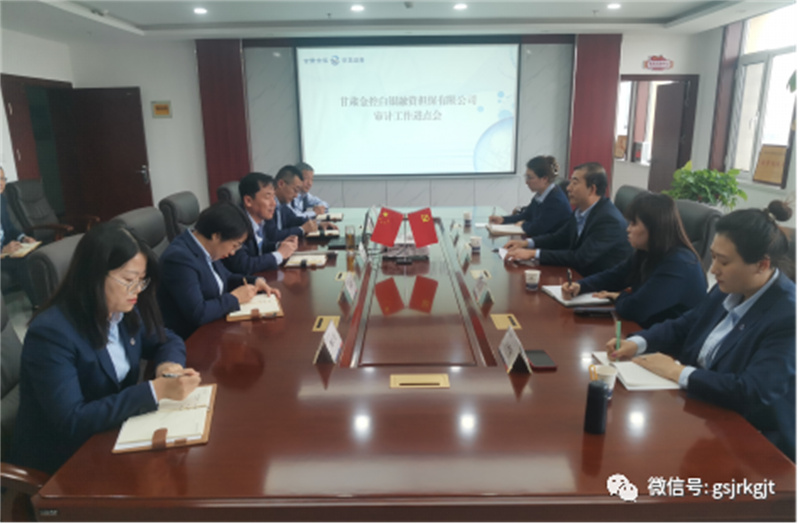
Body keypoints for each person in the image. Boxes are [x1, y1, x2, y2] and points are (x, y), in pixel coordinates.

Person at [606, 201, 795, 460]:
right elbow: (686, 324)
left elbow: (750, 391)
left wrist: (677, 371)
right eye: (713, 256)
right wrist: (639, 342)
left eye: (723, 261)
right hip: (701, 410)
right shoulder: (728, 287)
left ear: (762, 265)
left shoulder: (788, 316)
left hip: (752, 442)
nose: (713, 269)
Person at [9, 223, 201, 474]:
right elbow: (72, 420)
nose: (137, 290)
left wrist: (168, 366)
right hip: (66, 460)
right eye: (129, 280)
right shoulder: (52, 333)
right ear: (94, 276)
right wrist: (154, 391)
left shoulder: (122, 311)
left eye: (141, 281)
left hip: (111, 434)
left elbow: (168, 339)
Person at [561, 192, 707, 328]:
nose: (628, 229)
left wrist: (619, 296)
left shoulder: (678, 264)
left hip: (669, 342)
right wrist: (581, 286)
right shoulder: (647, 252)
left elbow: (635, 309)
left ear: (654, 228)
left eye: (634, 223)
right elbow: (616, 276)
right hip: (646, 329)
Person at [158, 201, 281, 339]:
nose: (233, 252)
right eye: (234, 245)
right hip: (192, 339)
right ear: (216, 236)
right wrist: (235, 298)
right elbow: (198, 313)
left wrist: (255, 281)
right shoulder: (179, 259)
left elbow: (226, 278)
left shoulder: (206, 248)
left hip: (215, 326)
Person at [504, 162, 631, 277]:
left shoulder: (608, 221)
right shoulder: (581, 211)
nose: (568, 188)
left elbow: (580, 258)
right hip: (578, 275)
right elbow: (558, 238)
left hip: (600, 285)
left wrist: (533, 254)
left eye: (575, 183)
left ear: (592, 189)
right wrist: (526, 244)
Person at [223, 172, 298, 274]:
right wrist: (279, 255)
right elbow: (244, 264)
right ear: (248, 201)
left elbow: (260, 247)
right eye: (268, 197)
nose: (274, 203)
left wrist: (279, 245)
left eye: (273, 197)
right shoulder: (236, 224)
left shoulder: (260, 220)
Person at [488, 155, 571, 236]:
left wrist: (523, 225)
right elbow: (526, 215)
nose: (526, 182)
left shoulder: (555, 200)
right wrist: (503, 219)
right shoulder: (540, 195)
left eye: (530, 178)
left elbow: (538, 228)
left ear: (544, 179)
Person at [264, 165, 336, 242]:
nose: (296, 196)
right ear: (281, 184)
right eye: (295, 190)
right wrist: (302, 229)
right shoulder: (268, 205)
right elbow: (273, 236)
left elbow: (294, 220)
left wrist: (318, 224)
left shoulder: (283, 205)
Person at [0, 166, 39, 306]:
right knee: (22, 262)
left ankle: (51, 296)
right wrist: (3, 250)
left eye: (3, 179)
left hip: (5, 251)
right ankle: (38, 304)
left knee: (37, 254)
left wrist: (23, 238)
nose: (1, 183)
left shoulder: (1, 200)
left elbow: (9, 227)